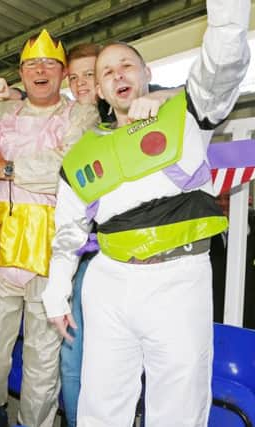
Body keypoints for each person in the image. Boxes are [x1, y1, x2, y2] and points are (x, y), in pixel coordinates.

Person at [43, 0, 251, 425]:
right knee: (101, 403)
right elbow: (68, 231)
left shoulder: (188, 114)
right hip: (109, 285)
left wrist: (226, 14)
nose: (118, 74)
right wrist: (56, 292)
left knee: (178, 403)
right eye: (107, 71)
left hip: (179, 280)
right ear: (98, 91)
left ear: (147, 73)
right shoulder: (80, 157)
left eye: (127, 65)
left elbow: (222, 65)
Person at [0, 31, 100, 427]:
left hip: (50, 253)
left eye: (49, 65)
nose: (40, 70)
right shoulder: (0, 115)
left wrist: (5, 167)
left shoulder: (81, 115)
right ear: (20, 74)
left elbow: (67, 168)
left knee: (42, 359)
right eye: (31, 65)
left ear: (62, 74)